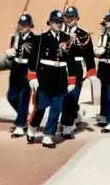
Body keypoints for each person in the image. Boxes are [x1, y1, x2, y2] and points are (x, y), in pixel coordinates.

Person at [26, 10, 76, 148]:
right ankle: (32, 127)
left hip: (60, 77)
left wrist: (72, 79)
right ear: (50, 23)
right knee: (40, 107)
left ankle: (48, 136)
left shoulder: (67, 39)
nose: (58, 24)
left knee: (56, 108)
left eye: (60, 22)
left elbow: (71, 61)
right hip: (45, 77)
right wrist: (32, 77)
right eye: (55, 22)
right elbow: (33, 60)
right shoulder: (41, 39)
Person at [59, 6, 97, 139]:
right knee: (63, 96)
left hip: (76, 66)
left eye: (72, 17)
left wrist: (91, 72)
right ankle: (73, 114)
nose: (69, 19)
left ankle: (68, 126)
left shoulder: (83, 34)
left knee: (72, 95)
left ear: (77, 18)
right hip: (62, 67)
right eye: (67, 17)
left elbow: (89, 55)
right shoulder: (59, 32)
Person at [4, 13, 36, 138]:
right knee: (11, 96)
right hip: (15, 69)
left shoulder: (34, 39)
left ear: (30, 26)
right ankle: (24, 115)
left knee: (24, 98)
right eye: (21, 24)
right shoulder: (15, 38)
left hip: (26, 69)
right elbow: (12, 52)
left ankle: (20, 125)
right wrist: (8, 53)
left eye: (25, 25)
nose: (22, 27)